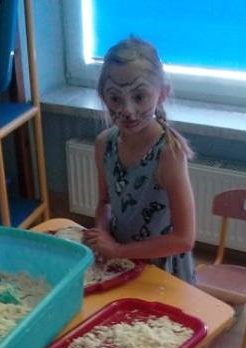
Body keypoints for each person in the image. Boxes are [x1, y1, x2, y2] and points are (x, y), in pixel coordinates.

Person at [82, 36, 197, 283]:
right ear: (103, 96)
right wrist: (102, 234)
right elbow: (104, 202)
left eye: (139, 97)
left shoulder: (168, 153)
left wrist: (118, 250)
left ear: (162, 94)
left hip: (163, 273)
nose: (127, 110)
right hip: (121, 263)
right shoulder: (104, 144)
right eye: (115, 98)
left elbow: (184, 239)